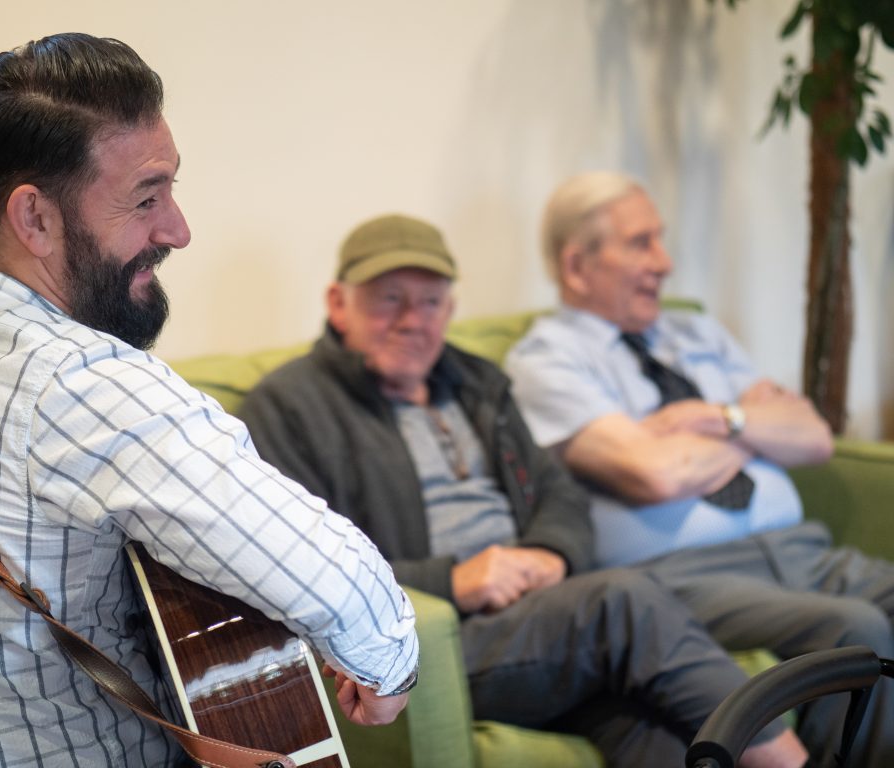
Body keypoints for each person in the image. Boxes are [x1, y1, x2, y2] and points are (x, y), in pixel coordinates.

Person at [0, 33, 418, 767]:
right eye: (145, 198)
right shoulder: (83, 386)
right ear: (34, 219)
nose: (177, 230)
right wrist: (390, 671)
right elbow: (354, 597)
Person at [239, 212, 809, 768]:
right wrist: (452, 582)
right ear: (340, 304)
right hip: (430, 639)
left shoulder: (479, 384)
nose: (414, 319)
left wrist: (550, 554)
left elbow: (561, 496)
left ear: (450, 310)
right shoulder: (290, 406)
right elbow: (303, 569)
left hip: (539, 617)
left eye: (431, 301)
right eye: (390, 298)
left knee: (651, 726)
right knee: (622, 601)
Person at [505, 170, 894, 766]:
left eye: (660, 239)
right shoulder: (546, 362)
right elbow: (653, 474)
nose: (664, 262)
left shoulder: (695, 331)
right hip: (684, 576)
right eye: (641, 243)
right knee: (852, 629)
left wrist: (707, 417)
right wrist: (756, 427)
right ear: (578, 265)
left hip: (797, 547)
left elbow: (812, 436)